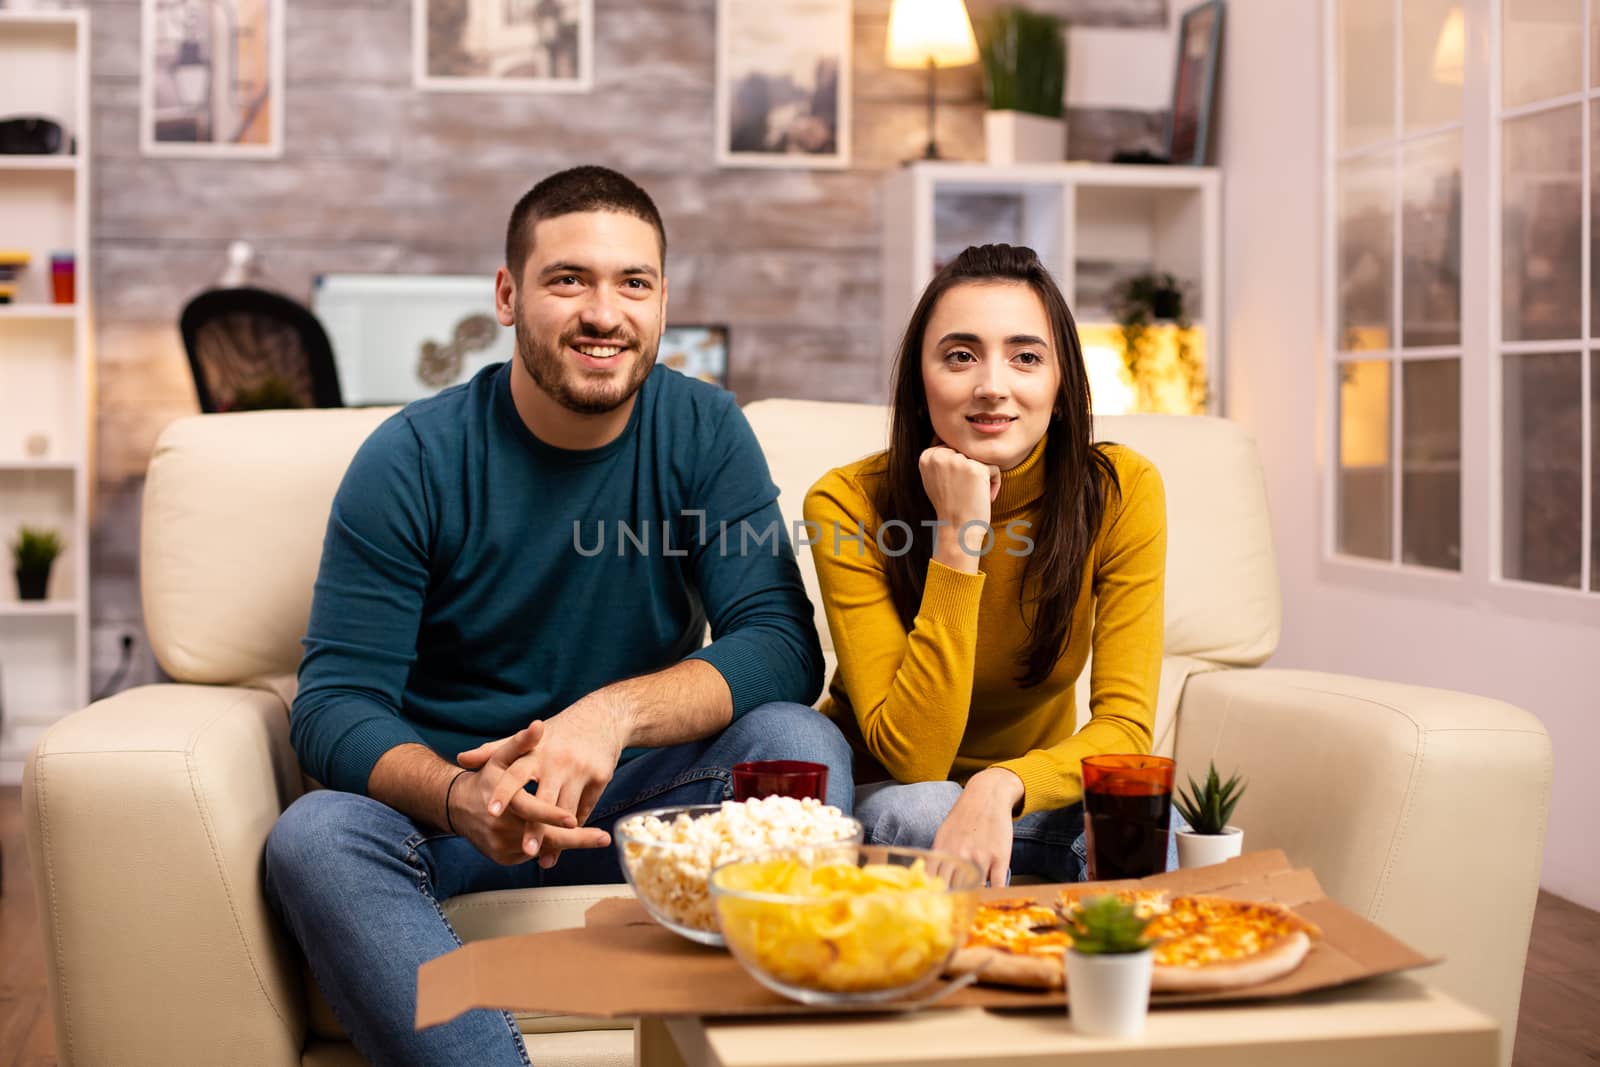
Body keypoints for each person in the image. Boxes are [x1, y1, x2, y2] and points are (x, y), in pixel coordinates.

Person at [264, 165, 852, 1067]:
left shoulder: (702, 429)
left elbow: (779, 644)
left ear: (663, 304)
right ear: (508, 295)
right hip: (461, 822)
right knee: (314, 836)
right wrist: (464, 798)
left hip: (646, 806)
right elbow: (334, 703)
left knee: (798, 746)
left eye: (634, 284)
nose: (604, 313)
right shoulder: (413, 458)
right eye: (568, 278)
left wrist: (608, 716)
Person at [803, 243, 1169, 889]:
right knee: (926, 807)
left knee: (1139, 830)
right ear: (922, 380)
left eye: (1026, 356)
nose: (992, 385)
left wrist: (1003, 784)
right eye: (960, 355)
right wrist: (958, 535)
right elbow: (916, 757)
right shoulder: (848, 502)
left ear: (1061, 386)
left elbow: (1125, 730)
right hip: (895, 799)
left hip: (1026, 800)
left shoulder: (1121, 490)